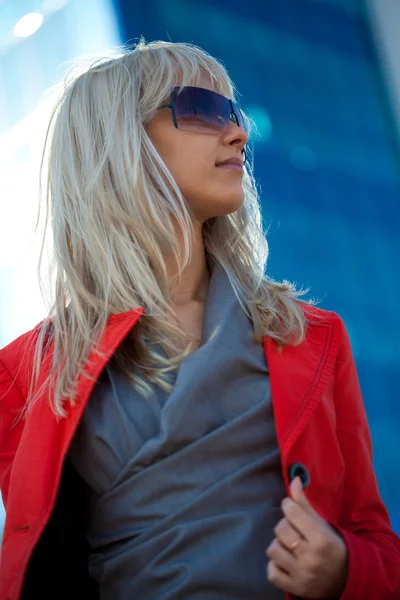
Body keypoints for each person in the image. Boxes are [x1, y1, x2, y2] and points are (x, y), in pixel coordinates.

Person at [0, 39, 399, 600]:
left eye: (233, 114)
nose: (238, 133)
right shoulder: (27, 372)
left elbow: (378, 543)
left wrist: (344, 569)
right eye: (202, 109)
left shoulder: (310, 336)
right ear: (121, 140)